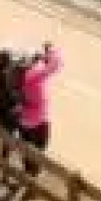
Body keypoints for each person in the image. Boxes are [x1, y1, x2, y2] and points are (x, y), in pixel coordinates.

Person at [16, 42, 63, 178]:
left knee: (27, 151)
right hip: (37, 120)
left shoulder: (17, 74)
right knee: (38, 152)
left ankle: (28, 175)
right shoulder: (34, 74)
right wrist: (51, 50)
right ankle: (32, 179)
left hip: (24, 119)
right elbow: (56, 65)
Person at [0, 46, 25, 172]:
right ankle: (15, 170)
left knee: (8, 141)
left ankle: (4, 170)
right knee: (19, 140)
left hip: (4, 111)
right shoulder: (7, 72)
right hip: (9, 111)